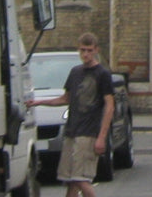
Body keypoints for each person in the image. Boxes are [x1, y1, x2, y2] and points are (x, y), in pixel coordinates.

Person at [27, 32, 115, 197]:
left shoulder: (102, 74)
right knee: (70, 180)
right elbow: (65, 98)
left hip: (88, 133)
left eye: (89, 50)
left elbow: (110, 106)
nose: (85, 54)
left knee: (81, 179)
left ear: (96, 50)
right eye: (82, 50)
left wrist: (102, 137)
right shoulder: (75, 72)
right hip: (71, 132)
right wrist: (38, 102)